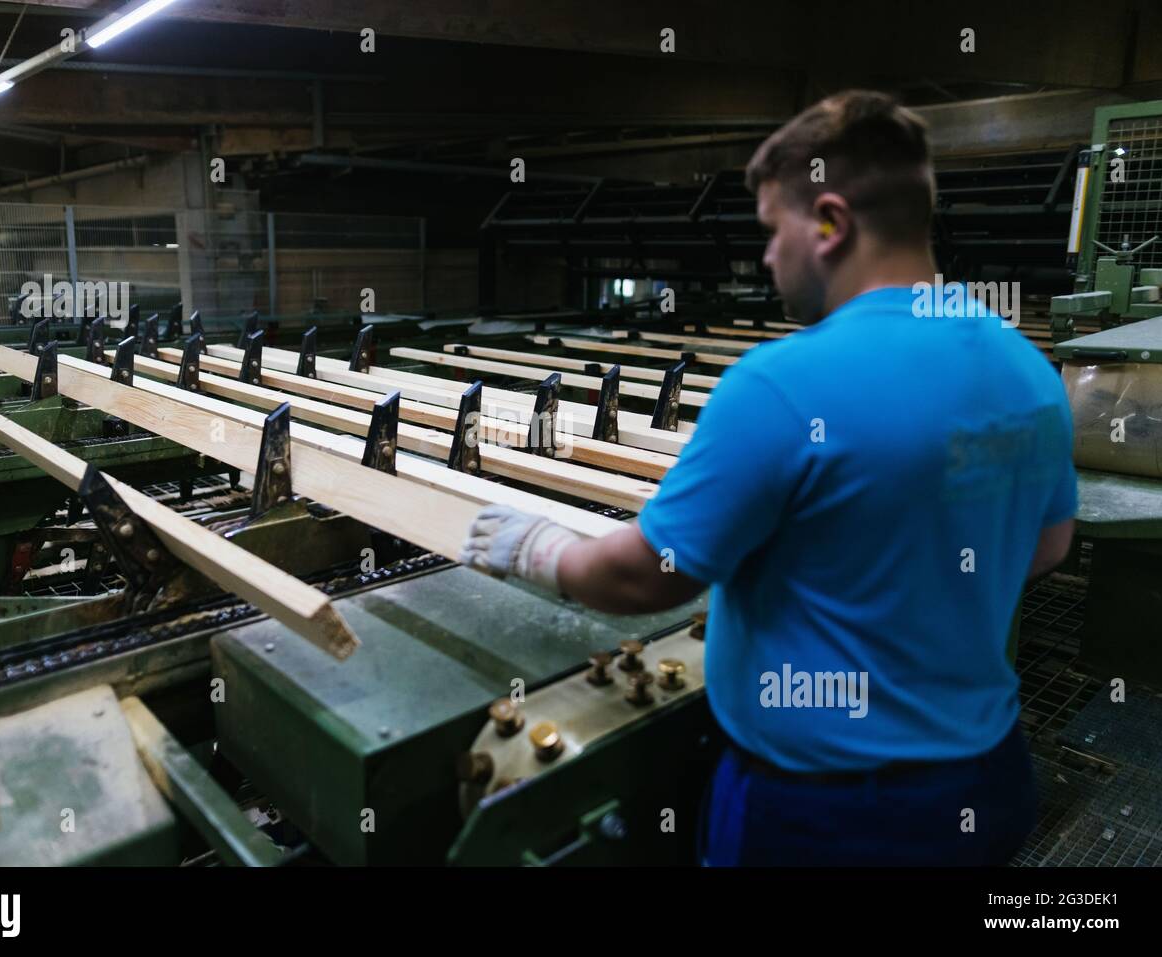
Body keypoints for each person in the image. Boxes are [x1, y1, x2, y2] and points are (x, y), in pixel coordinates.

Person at [459, 90, 1077, 866]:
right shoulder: (1029, 370)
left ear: (828, 222)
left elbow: (654, 574)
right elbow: (1048, 545)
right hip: (987, 783)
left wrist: (538, 547)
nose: (765, 259)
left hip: (823, 814)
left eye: (770, 231)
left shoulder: (785, 383)